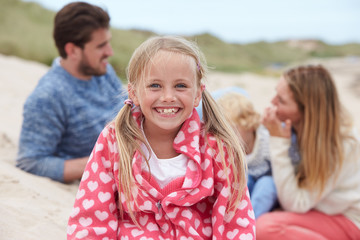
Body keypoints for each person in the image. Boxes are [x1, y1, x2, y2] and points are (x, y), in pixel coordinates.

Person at [67, 36, 255, 239]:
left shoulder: (217, 148)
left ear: (198, 94)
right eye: (155, 85)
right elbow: (92, 219)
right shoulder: (115, 141)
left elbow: (234, 222)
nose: (168, 97)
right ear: (134, 92)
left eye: (181, 86)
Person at [16, 2, 126, 183]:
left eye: (109, 42)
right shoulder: (48, 96)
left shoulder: (102, 71)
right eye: (101, 46)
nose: (110, 52)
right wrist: (103, 159)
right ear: (72, 50)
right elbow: (30, 162)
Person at [257, 65, 360, 239]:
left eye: (281, 101)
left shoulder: (339, 144)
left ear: (306, 110)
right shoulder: (296, 129)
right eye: (276, 93)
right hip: (318, 210)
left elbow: (297, 203)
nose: (272, 102)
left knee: (265, 228)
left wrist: (278, 141)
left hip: (347, 219)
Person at [217, 92, 278, 218]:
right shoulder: (226, 149)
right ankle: (233, 220)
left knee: (266, 184)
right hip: (247, 183)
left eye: (233, 131)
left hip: (269, 184)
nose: (229, 138)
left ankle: (251, 224)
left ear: (249, 126)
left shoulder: (267, 143)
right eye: (224, 132)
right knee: (241, 179)